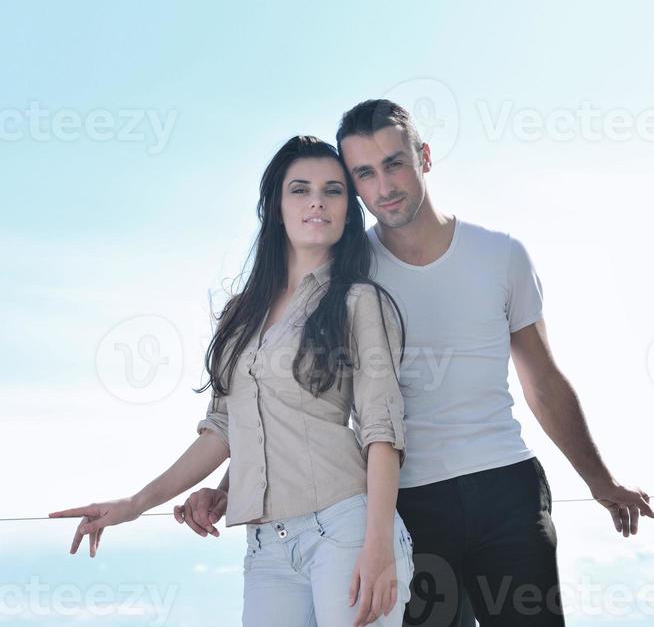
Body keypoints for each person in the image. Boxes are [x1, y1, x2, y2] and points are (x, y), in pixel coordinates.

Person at [189, 100, 653, 627]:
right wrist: (231, 485)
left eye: (395, 163)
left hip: (505, 488)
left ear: (424, 157)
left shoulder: (501, 255)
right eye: (364, 173)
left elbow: (543, 381)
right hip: (404, 504)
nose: (384, 186)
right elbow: (289, 399)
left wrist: (601, 481)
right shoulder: (343, 276)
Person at [49, 135, 416, 627]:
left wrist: (378, 550)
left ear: (349, 210)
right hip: (265, 547)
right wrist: (137, 503)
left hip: (347, 531)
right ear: (276, 205)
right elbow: (225, 427)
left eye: (333, 191)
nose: (316, 202)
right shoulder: (242, 313)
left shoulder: (358, 301)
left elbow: (382, 433)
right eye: (300, 189)